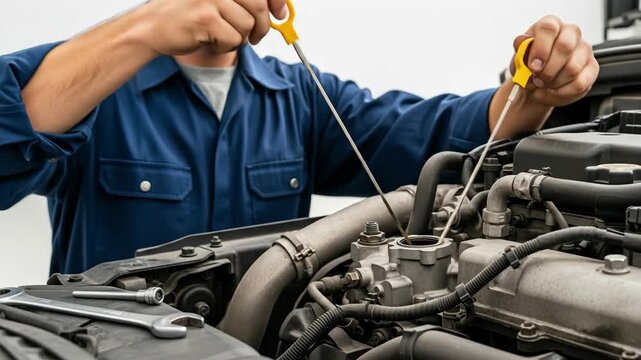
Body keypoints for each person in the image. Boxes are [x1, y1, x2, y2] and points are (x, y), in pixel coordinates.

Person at [0, 0, 599, 274]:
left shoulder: (305, 97)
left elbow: (441, 137)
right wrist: (143, 29)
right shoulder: (100, 82)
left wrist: (535, 94)